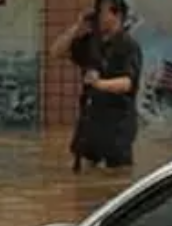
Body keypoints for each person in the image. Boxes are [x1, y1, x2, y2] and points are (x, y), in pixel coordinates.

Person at [50, 0, 143, 172]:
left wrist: (99, 84)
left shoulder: (128, 46)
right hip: (90, 121)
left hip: (117, 123)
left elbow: (127, 83)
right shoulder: (91, 43)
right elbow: (56, 52)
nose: (98, 17)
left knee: (117, 175)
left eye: (102, 12)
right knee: (84, 173)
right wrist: (77, 28)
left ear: (117, 15)